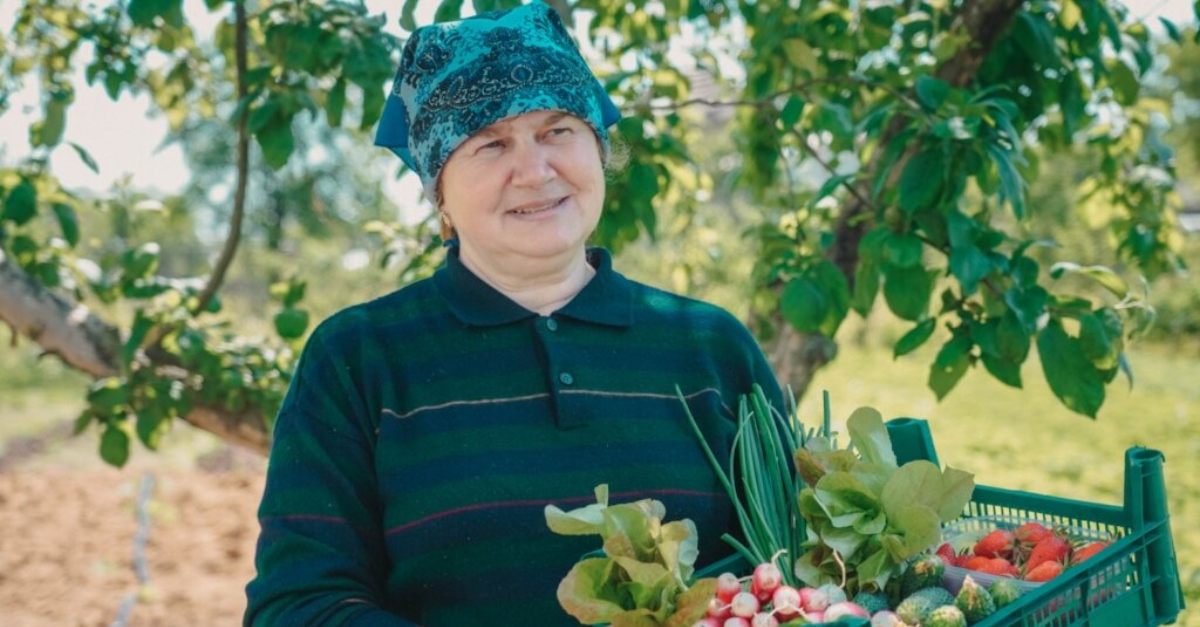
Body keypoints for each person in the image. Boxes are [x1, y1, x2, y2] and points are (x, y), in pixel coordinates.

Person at [243, 2, 785, 625]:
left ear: (600, 150)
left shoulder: (710, 347)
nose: (534, 170)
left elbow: (796, 567)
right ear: (438, 189)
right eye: (490, 142)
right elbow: (298, 604)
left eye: (558, 130)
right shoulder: (359, 358)